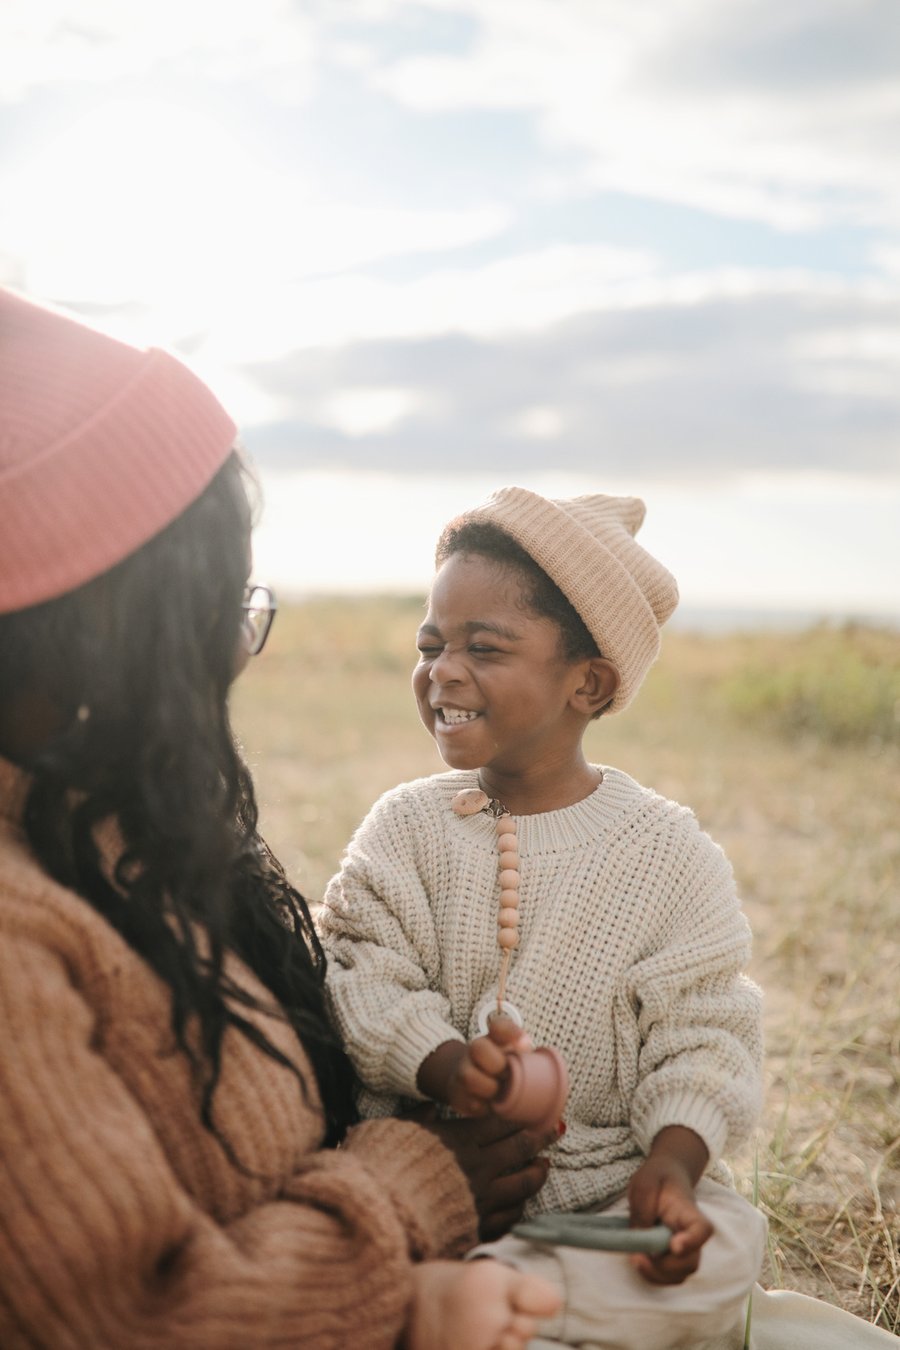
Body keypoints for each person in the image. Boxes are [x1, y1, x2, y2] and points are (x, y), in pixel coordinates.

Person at [0, 287, 561, 1350]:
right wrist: (417, 1186)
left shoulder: (93, 820)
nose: (232, 652)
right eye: (213, 607)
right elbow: (140, 1318)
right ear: (90, 634)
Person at [318, 490, 900, 1349]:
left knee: (726, 1239)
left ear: (587, 683)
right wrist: (447, 1067)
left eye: (484, 647)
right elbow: (359, 972)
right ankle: (496, 1301)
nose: (443, 670)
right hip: (439, 1176)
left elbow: (706, 1032)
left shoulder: (667, 851)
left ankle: (501, 1303)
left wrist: (673, 1165)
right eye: (430, 644)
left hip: (606, 1197)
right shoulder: (404, 827)